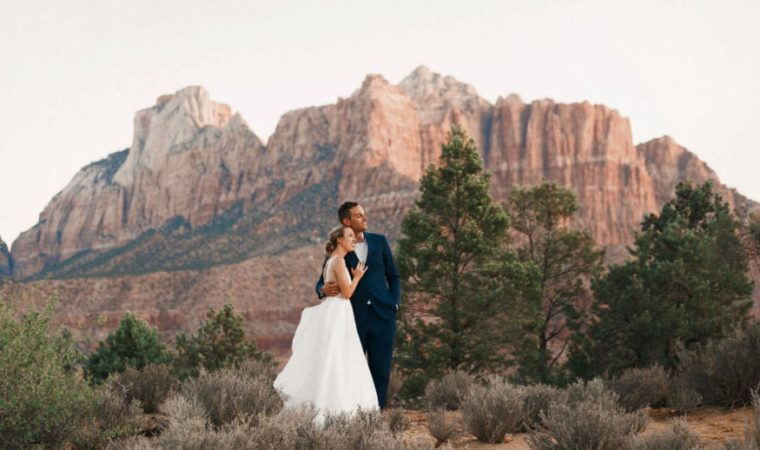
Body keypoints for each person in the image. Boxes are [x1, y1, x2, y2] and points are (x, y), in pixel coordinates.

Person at [274, 225, 378, 419]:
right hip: (339, 312)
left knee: (335, 358)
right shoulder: (338, 261)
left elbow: (332, 288)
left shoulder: (332, 261)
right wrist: (357, 277)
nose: (353, 239)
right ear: (339, 239)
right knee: (339, 359)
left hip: (336, 311)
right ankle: (336, 410)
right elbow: (346, 293)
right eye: (349, 236)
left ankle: (332, 406)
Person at [316, 202, 400, 409]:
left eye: (364, 214)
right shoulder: (339, 249)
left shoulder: (380, 242)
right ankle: (352, 412)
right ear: (347, 221)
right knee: (351, 368)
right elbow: (321, 280)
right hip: (353, 318)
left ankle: (376, 413)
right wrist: (322, 290)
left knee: (381, 370)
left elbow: (394, 276)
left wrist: (394, 304)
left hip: (383, 316)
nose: (365, 218)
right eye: (359, 215)